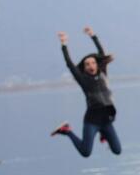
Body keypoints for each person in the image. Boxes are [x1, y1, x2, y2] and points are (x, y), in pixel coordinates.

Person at [51, 27, 121, 157]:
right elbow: (69, 64)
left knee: (117, 150)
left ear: (97, 64)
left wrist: (93, 35)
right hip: (92, 121)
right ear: (84, 68)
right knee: (86, 152)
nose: (91, 65)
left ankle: (103, 133)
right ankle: (66, 130)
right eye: (87, 64)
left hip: (107, 120)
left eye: (93, 63)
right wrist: (64, 44)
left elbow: (101, 52)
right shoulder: (83, 79)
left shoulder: (103, 72)